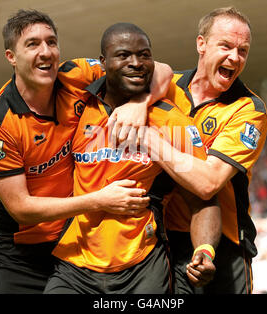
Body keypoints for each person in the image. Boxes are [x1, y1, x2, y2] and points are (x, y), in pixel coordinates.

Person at [0, 10, 168, 294]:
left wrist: (141, 102)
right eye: (33, 44)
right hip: (16, 254)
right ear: (11, 57)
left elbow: (159, 68)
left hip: (72, 246)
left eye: (51, 42)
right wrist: (99, 200)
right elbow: (21, 208)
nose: (46, 52)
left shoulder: (76, 75)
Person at [44, 22, 220, 294]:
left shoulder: (172, 121)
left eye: (145, 55)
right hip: (74, 265)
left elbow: (202, 198)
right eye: (123, 55)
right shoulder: (77, 109)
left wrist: (206, 250)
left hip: (142, 265)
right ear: (103, 62)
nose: (136, 63)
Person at [143, 7, 267, 294]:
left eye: (243, 50)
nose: (235, 57)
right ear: (201, 44)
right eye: (226, 46)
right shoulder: (167, 86)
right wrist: (135, 105)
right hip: (165, 239)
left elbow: (208, 183)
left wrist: (151, 142)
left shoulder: (249, 109)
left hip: (225, 246)